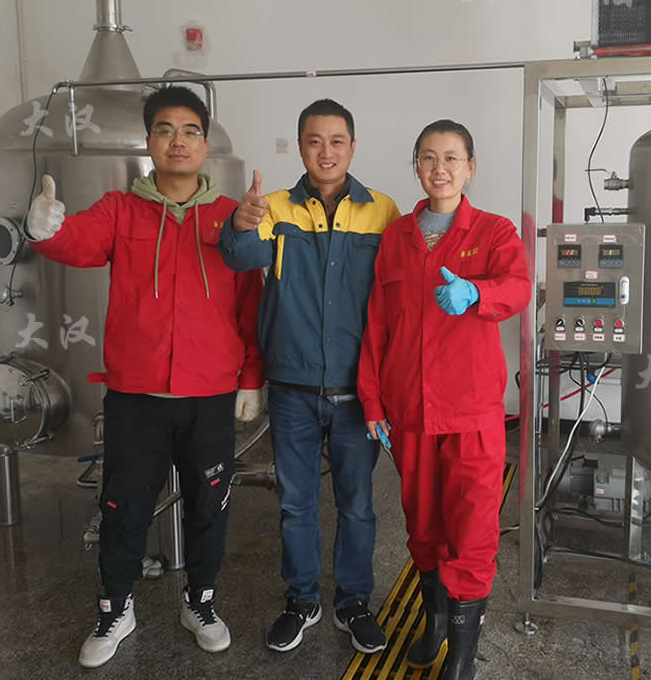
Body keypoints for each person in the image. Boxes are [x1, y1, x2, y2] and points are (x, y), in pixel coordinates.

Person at [24, 86, 264, 668]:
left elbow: (251, 304)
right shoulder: (120, 209)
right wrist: (44, 230)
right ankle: (116, 607)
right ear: (149, 140)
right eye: (165, 129)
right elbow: (77, 243)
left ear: (205, 143)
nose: (178, 140)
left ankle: (200, 602)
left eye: (190, 130)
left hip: (209, 393)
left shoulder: (229, 216)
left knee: (210, 504)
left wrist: (251, 378)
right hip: (136, 395)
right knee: (123, 506)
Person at [218, 98, 400, 654]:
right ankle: (301, 599)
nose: (326, 151)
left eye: (337, 140)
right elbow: (240, 259)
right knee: (295, 504)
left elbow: (395, 298)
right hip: (293, 388)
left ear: (353, 146)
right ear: (300, 147)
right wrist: (239, 224)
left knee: (357, 505)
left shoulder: (383, 212)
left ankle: (353, 601)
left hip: (356, 390)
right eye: (314, 141)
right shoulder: (273, 207)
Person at [357, 119, 531, 680]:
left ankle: (463, 650)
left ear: (470, 167)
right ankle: (435, 619)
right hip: (409, 410)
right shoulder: (396, 238)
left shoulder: (495, 231)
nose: (440, 168)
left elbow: (518, 288)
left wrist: (476, 290)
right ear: (416, 166)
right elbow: (377, 324)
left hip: (472, 411)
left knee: (472, 530)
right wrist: (372, 401)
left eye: (452, 158)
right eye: (429, 158)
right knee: (424, 527)